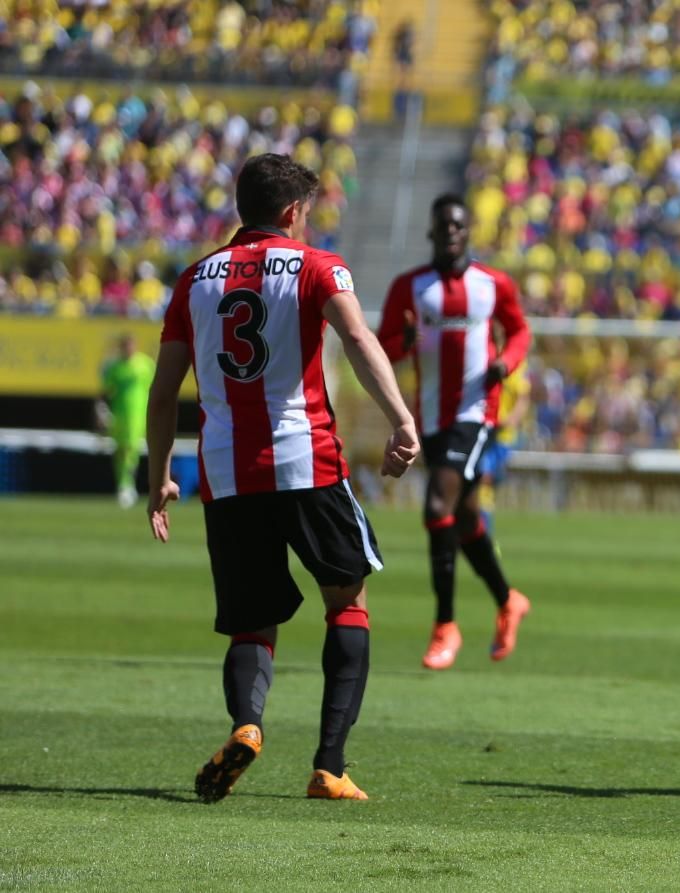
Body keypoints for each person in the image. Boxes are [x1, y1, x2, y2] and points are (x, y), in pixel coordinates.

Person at [145, 154, 420, 803]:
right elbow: (356, 338)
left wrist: (159, 474)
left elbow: (164, 393)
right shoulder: (318, 266)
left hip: (227, 473)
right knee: (346, 602)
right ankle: (328, 765)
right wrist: (401, 419)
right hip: (306, 460)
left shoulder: (194, 281)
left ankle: (247, 723)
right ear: (294, 211)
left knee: (251, 621)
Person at [378, 194, 532, 671]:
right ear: (431, 231)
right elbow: (383, 347)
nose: (450, 231)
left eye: (458, 225)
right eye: (443, 224)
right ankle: (509, 600)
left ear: (469, 233)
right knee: (463, 518)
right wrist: (400, 343)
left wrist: (505, 363)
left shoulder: (493, 284)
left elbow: (520, 330)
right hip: (432, 417)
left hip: (477, 412)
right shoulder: (410, 287)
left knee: (436, 505)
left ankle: (445, 624)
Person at [100, 333, 155, 508]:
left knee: (132, 447)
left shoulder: (145, 365)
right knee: (120, 450)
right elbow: (105, 392)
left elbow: (155, 389)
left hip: (139, 415)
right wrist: (102, 413)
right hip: (119, 415)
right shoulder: (115, 367)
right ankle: (123, 485)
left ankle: (127, 485)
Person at [476, 359, 530, 532]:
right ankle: (482, 540)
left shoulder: (514, 363)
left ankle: (484, 541)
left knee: (484, 485)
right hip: (481, 433)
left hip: (503, 438)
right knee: (481, 488)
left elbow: (523, 398)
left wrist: (510, 421)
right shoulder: (482, 358)